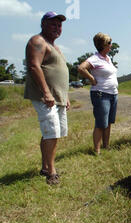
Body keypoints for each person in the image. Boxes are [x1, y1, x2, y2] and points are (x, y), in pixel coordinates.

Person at [24, 12, 70, 185]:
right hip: (45, 96)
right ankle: (51, 171)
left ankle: (45, 166)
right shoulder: (38, 41)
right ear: (43, 24)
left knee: (53, 132)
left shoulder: (53, 45)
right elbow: (34, 66)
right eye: (53, 24)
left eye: (59, 25)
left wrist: (64, 97)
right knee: (51, 131)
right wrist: (46, 92)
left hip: (57, 97)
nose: (57, 28)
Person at [78, 33, 118, 155]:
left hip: (113, 94)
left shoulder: (108, 58)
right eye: (109, 43)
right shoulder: (94, 58)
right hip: (101, 94)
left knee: (109, 122)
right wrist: (91, 79)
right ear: (103, 45)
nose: (111, 46)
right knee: (101, 123)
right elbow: (81, 68)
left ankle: (106, 146)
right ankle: (97, 150)